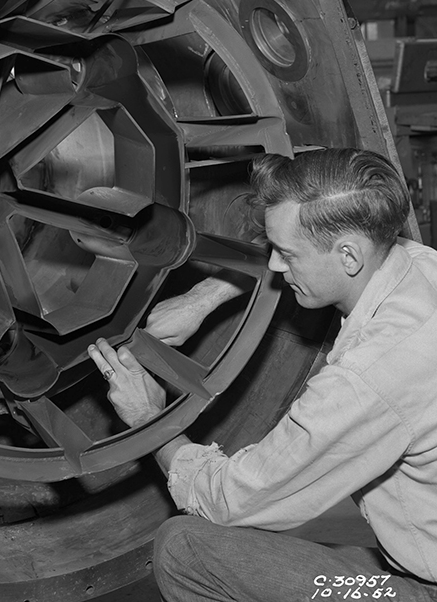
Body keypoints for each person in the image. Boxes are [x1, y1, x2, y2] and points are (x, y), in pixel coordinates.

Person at [88, 148, 437, 602]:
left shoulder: (370, 376)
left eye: (286, 255)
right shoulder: (418, 264)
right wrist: (204, 298)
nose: (273, 265)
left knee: (187, 549)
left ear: (349, 255)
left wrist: (150, 419)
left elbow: (230, 501)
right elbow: (311, 252)